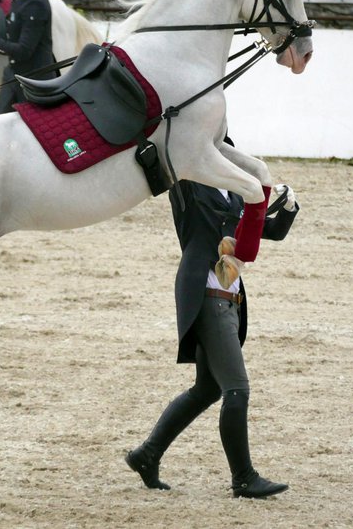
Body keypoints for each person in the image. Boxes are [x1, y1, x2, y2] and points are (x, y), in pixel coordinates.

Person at [125, 161, 299, 498]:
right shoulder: (189, 185)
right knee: (237, 388)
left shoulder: (237, 197)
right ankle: (243, 478)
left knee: (207, 389)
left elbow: (270, 230)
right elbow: (167, 159)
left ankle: (147, 455)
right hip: (207, 297)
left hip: (229, 298)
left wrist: (290, 209)